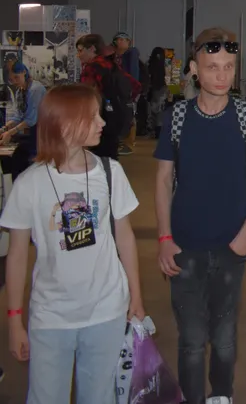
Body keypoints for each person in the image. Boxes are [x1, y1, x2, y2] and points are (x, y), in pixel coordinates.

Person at [154, 28, 246, 404]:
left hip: (231, 245)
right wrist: (164, 238)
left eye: (228, 67)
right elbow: (162, 179)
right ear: (194, 69)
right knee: (191, 338)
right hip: (184, 244)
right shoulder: (176, 117)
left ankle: (221, 393)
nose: (222, 75)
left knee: (224, 336)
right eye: (212, 67)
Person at [1, 84, 145, 403]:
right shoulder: (30, 184)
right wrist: (14, 319)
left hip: (106, 309)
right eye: (92, 117)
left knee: (99, 396)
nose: (102, 122)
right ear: (65, 124)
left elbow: (125, 237)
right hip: (51, 316)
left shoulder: (110, 173)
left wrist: (135, 295)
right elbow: (17, 255)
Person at [76, 34, 141, 161]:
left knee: (96, 158)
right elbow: (136, 86)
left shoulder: (91, 68)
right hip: (116, 118)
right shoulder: (111, 65)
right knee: (109, 158)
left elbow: (86, 96)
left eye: (80, 50)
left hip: (97, 119)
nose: (78, 55)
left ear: (92, 48)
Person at [0, 63, 47, 177]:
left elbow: (31, 119)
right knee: (16, 163)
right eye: (11, 80)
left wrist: (10, 133)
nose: (14, 82)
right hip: (29, 136)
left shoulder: (36, 89)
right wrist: (4, 128)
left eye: (16, 77)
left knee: (32, 168)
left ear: (24, 72)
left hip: (41, 135)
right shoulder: (19, 92)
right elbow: (18, 116)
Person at [147, 47, 169, 140]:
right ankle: (159, 131)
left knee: (153, 110)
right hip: (162, 89)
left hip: (152, 90)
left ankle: (153, 130)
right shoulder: (165, 65)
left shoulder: (150, 65)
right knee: (160, 110)